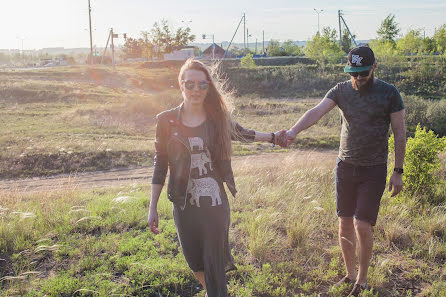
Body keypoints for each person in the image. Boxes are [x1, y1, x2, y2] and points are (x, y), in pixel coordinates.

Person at [148, 58, 286, 297]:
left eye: (202, 85)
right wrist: (153, 207)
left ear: (209, 87)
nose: (196, 90)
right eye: (189, 84)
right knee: (195, 263)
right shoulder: (166, 120)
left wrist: (273, 137)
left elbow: (242, 133)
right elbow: (160, 164)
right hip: (183, 204)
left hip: (215, 205)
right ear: (180, 85)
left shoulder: (216, 118)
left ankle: (217, 292)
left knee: (213, 263)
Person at [284, 46, 406, 297]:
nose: (358, 78)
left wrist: (398, 170)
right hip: (345, 167)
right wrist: (293, 131)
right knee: (344, 224)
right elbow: (316, 112)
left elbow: (400, 132)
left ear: (374, 67)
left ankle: (362, 281)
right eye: (354, 73)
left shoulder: (389, 93)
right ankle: (349, 274)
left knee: (363, 225)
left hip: (373, 169)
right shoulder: (340, 90)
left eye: (363, 73)